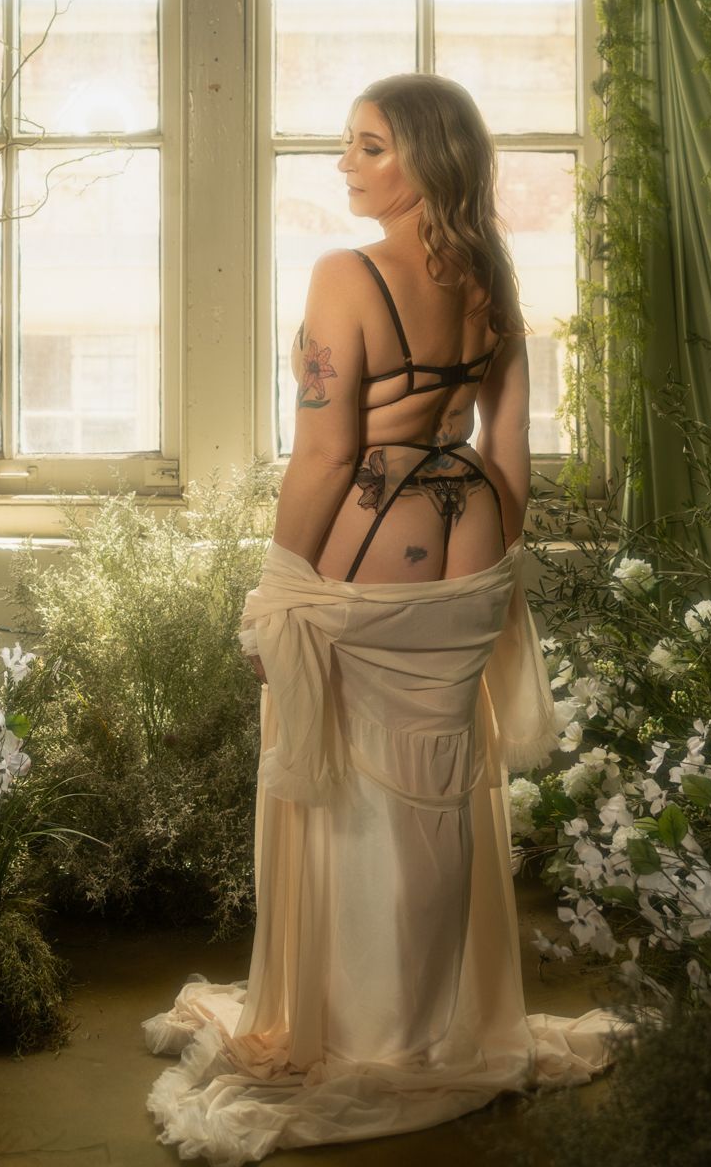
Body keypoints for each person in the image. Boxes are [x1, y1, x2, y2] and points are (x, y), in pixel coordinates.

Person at [143, 75, 627, 1161]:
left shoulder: (344, 274)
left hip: (371, 556)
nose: (344, 163)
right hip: (471, 565)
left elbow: (324, 452)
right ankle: (430, 1023)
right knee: (438, 792)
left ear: (421, 160)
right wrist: (495, 551)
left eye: (366, 146)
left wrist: (278, 582)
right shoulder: (489, 272)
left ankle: (366, 1033)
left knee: (348, 798)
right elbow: (509, 444)